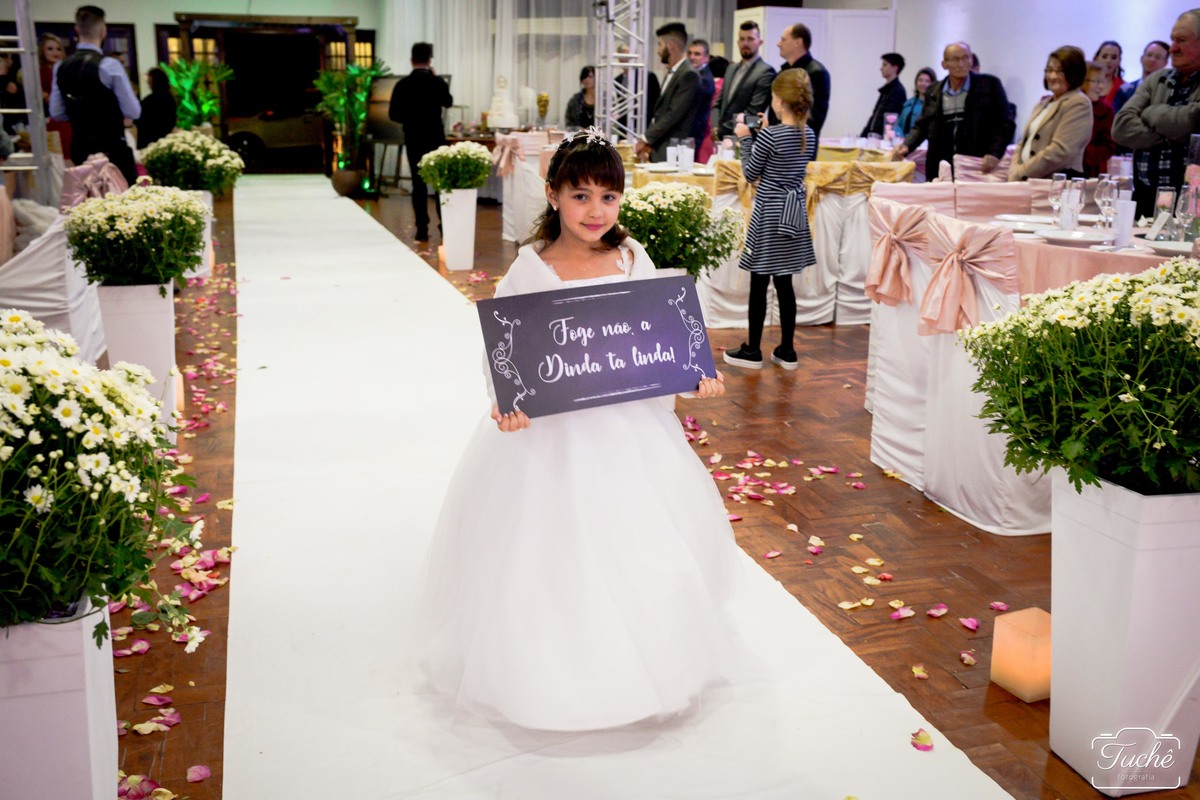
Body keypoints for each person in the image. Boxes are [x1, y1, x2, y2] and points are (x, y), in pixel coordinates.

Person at [418, 127, 738, 732]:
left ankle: (652, 662)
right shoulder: (530, 269)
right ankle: (553, 672)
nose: (596, 211)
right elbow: (503, 351)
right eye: (581, 196)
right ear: (553, 195)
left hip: (629, 433)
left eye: (608, 197)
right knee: (550, 549)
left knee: (640, 540)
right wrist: (507, 403)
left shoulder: (632, 258)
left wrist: (693, 374)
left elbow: (659, 333)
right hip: (554, 437)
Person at [723, 69, 817, 372]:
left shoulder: (769, 136)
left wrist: (745, 139)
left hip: (769, 213)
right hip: (793, 212)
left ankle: (753, 349)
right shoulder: (808, 134)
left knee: (759, 280)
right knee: (785, 282)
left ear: (779, 101)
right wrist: (762, 134)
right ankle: (787, 350)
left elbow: (751, 173)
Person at [1113, 10, 1200, 217]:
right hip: (1145, 199)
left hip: (1192, 204)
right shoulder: (1157, 79)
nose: (1173, 48)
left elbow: (1193, 120)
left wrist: (1150, 113)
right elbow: (1121, 127)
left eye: (1181, 40)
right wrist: (1175, 137)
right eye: (1172, 40)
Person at [890, 42, 1011, 180]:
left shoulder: (989, 85)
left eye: (966, 58)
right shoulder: (934, 91)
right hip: (940, 165)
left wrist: (995, 152)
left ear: (971, 60)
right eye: (955, 59)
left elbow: (1006, 123)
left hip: (975, 166)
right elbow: (922, 126)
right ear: (944, 64)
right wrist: (906, 145)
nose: (961, 64)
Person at [49, 5, 141, 184]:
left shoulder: (60, 67)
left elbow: (57, 112)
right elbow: (133, 111)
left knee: (89, 197)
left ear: (77, 30)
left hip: (81, 148)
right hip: (112, 148)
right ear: (102, 31)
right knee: (124, 196)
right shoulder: (110, 66)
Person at [388, 42, 453, 242]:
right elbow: (448, 102)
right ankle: (445, 227)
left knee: (419, 184)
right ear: (429, 60)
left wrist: (410, 119)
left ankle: (422, 230)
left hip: (414, 137)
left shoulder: (402, 85)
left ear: (411, 60)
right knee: (441, 184)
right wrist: (435, 77)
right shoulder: (437, 82)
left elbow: (393, 114)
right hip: (436, 138)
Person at [1008, 46, 1092, 181]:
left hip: (1058, 183)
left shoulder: (1079, 103)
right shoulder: (1043, 103)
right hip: (1028, 182)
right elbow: (1022, 144)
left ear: (1074, 73)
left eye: (1060, 71)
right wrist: (1014, 171)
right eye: (1049, 70)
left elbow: (1060, 151)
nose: (1052, 76)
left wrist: (1021, 173)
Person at [636, 22, 700, 162]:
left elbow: (673, 114)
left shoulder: (688, 75)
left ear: (671, 45)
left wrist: (646, 138)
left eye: (660, 44)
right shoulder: (674, 72)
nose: (658, 50)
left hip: (675, 150)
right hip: (662, 148)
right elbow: (660, 113)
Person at [714, 21, 775, 138]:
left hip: (746, 138)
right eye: (742, 39)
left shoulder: (766, 72)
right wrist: (715, 126)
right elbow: (719, 103)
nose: (745, 43)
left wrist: (722, 130)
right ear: (737, 42)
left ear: (760, 42)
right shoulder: (731, 68)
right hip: (721, 138)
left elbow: (754, 115)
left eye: (750, 39)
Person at [773, 23, 830, 138]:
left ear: (798, 42)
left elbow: (814, 119)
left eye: (783, 39)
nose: (778, 44)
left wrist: (780, 136)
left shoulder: (817, 73)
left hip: (800, 144)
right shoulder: (782, 72)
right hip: (779, 141)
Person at [1113, 40, 1171, 112]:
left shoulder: (1169, 92)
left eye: (1158, 57)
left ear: (1165, 63)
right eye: (1149, 55)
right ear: (1141, 58)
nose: (1152, 60)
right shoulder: (1125, 90)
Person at [1082, 61, 1117, 177]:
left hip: (1089, 171)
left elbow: (1108, 146)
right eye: (1096, 81)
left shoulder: (1106, 110)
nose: (1101, 87)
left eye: (1103, 81)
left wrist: (1086, 154)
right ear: (1082, 81)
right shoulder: (1066, 104)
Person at [861, 52, 907, 138]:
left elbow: (888, 120)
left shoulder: (897, 91)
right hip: (875, 137)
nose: (881, 68)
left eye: (885, 65)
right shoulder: (887, 89)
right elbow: (875, 116)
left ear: (895, 68)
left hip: (883, 139)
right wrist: (863, 136)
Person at [687, 38, 717, 162]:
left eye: (697, 54)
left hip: (695, 132)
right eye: (690, 53)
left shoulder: (704, 79)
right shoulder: (695, 75)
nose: (692, 57)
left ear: (707, 58)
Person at [136, 66, 176, 150]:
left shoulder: (149, 101)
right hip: (165, 141)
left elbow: (140, 119)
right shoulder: (170, 98)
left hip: (149, 141)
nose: (149, 85)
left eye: (150, 83)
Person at [895, 66, 936, 137]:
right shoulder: (908, 103)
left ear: (933, 84)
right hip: (901, 140)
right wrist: (900, 136)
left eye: (927, 81)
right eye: (920, 80)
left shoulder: (933, 105)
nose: (923, 84)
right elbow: (898, 124)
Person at [1094, 40, 1125, 107]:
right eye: (1104, 56)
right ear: (1096, 59)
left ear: (1119, 61)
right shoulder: (1083, 84)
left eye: (1114, 57)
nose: (1108, 61)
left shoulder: (1124, 88)